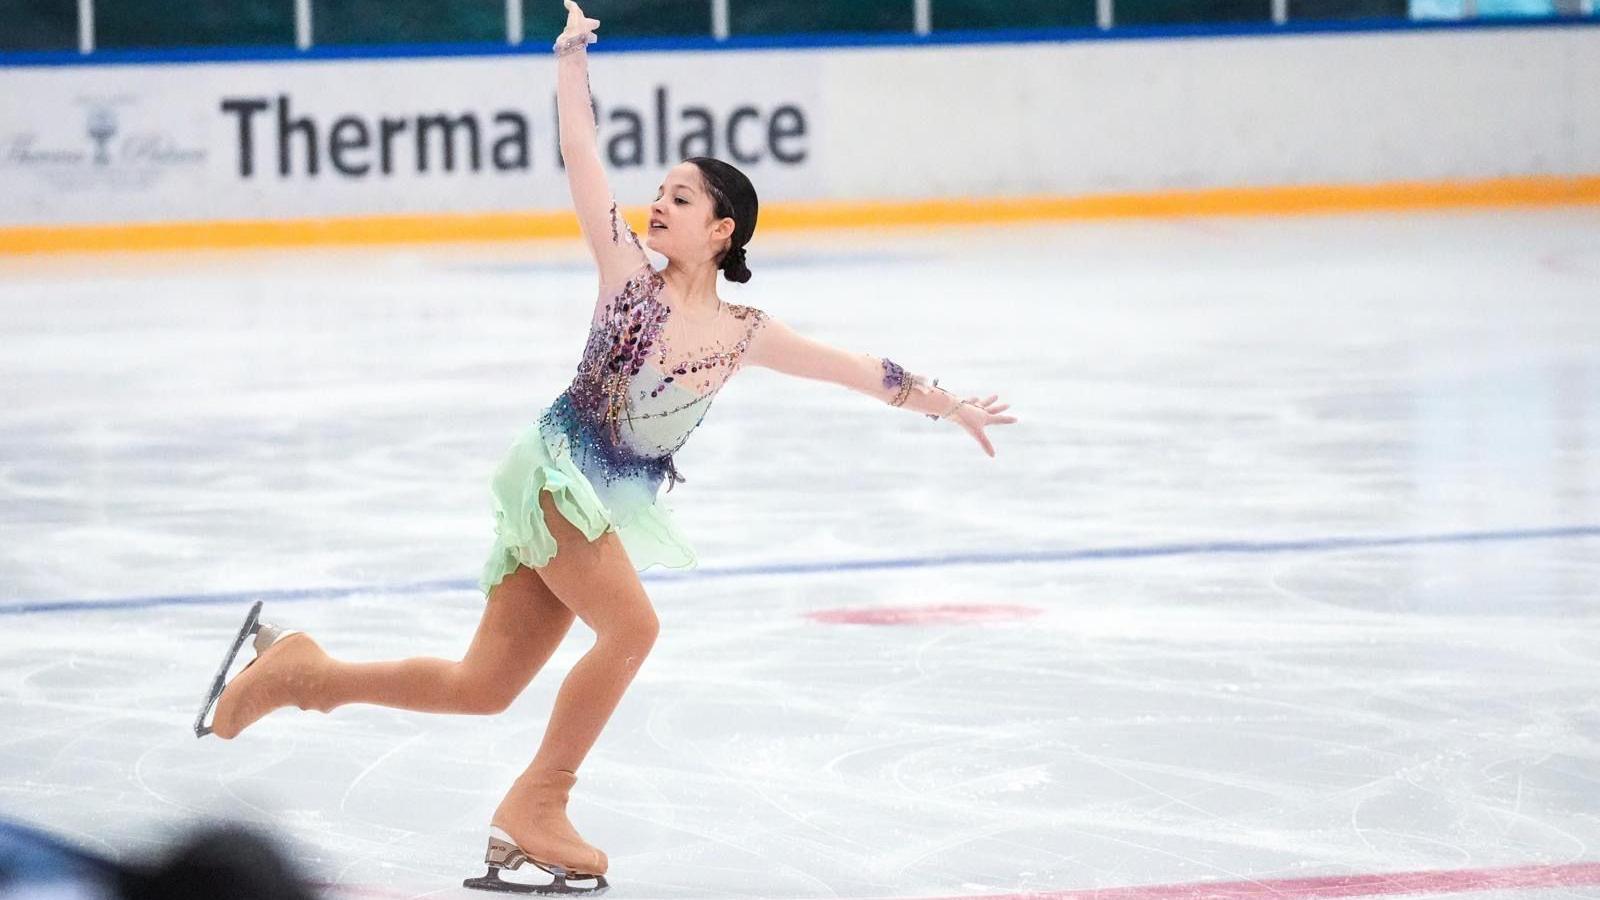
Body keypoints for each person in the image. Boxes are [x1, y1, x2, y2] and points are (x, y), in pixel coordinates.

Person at [192, 1, 1018, 894]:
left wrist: (949, 405)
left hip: (589, 500)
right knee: (634, 627)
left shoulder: (744, 331)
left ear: (722, 230)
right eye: (658, 193)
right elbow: (583, 157)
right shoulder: (627, 275)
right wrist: (569, 65)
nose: (658, 204)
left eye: (681, 197)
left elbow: (862, 369)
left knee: (484, 685)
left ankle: (299, 674)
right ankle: (538, 803)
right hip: (556, 478)